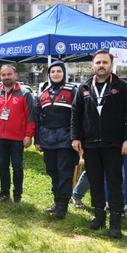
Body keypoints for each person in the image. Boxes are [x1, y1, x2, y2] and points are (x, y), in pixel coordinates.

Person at [71, 49, 127, 238]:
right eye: (98, 62)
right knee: (95, 182)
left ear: (111, 65)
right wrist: (75, 137)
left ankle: (115, 223)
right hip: (91, 144)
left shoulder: (123, 87)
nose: (101, 65)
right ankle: (98, 217)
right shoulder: (84, 87)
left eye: (104, 62)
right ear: (93, 65)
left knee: (115, 183)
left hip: (114, 144)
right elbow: (76, 114)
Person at [34, 61, 79, 219]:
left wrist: (76, 138)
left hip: (66, 139)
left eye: (59, 71)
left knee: (64, 172)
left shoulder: (72, 91)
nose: (55, 74)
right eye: (52, 72)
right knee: (52, 171)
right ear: (49, 74)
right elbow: (37, 118)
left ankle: (62, 206)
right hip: (48, 139)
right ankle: (56, 200)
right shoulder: (43, 94)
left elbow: (79, 116)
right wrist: (37, 140)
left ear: (64, 73)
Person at [0, 65, 35, 205]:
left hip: (18, 138)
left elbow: (31, 116)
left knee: (17, 167)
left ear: (15, 75)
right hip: (0, 138)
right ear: (0, 76)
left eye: (9, 74)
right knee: (3, 166)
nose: (6, 77)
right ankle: (4, 193)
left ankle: (17, 194)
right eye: (3, 75)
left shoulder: (24, 94)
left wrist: (29, 135)